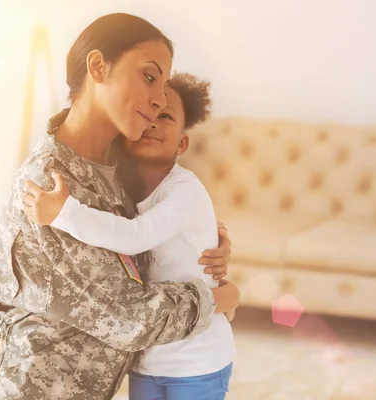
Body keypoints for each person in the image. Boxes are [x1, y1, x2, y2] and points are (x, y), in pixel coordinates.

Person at [0, 13, 238, 400]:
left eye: (164, 85)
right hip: (25, 385)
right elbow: (128, 317)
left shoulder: (119, 166)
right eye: (149, 77)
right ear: (99, 66)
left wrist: (207, 244)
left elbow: (146, 239)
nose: (158, 99)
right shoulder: (51, 184)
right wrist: (220, 298)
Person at [22, 72, 237, 400]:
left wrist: (64, 212)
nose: (153, 121)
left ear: (182, 143)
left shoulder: (186, 190)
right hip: (147, 361)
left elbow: (136, 236)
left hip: (198, 360)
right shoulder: (119, 190)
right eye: (149, 114)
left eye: (165, 116)